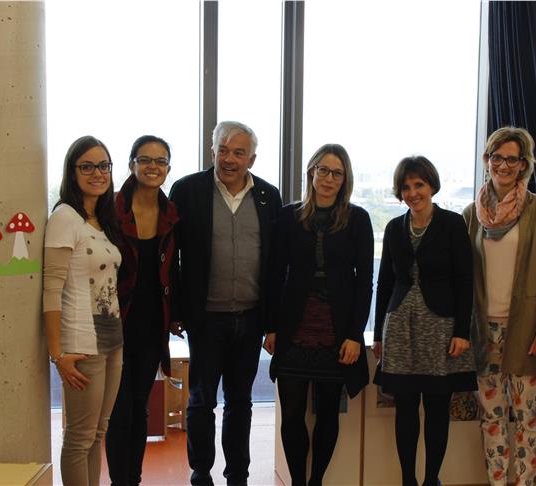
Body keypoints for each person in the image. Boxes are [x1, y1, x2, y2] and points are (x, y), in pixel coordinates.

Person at [169, 121, 282, 486]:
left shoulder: (268, 196)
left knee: (240, 402)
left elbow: (275, 263)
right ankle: (201, 473)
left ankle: (237, 476)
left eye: (238, 152)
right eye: (223, 150)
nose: (229, 159)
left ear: (252, 159)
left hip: (250, 318)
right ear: (212, 151)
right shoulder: (187, 191)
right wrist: (175, 311)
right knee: (202, 401)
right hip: (205, 319)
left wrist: (273, 323)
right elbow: (170, 256)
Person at [463, 127, 536, 486]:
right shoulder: (471, 214)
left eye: (512, 159)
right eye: (497, 157)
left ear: (524, 164)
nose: (503, 165)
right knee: (491, 418)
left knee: (528, 418)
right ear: (486, 160)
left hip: (528, 330)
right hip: (482, 332)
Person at [264, 144, 373, 486]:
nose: (328, 178)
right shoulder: (288, 216)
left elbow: (364, 282)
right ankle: (298, 482)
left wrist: (355, 334)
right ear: (311, 172)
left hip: (336, 332)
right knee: (292, 414)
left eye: (337, 173)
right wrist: (270, 327)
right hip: (293, 328)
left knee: (328, 414)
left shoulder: (358, 219)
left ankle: (316, 482)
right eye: (323, 170)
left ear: (345, 179)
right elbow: (274, 274)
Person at [373, 155, 476, 486]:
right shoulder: (394, 228)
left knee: (436, 407)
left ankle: (432, 479)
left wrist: (462, 332)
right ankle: (408, 480)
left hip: (440, 327)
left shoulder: (452, 224)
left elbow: (465, 280)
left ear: (431, 185)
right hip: (400, 325)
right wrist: (378, 335)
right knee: (405, 408)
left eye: (419, 184)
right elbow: (385, 283)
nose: (412, 193)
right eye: (406, 187)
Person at [43, 135, 122, 486]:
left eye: (103, 165)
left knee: (97, 434)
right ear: (72, 172)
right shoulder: (65, 217)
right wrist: (57, 353)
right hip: (81, 343)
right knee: (79, 438)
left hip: (112, 339)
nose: (97, 173)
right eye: (87, 166)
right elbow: (51, 290)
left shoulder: (101, 220)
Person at [106, 135, 179, 485]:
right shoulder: (110, 209)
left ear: (168, 167)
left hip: (152, 325)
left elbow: (174, 269)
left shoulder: (171, 213)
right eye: (145, 159)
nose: (153, 166)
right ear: (131, 164)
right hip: (114, 323)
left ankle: (131, 479)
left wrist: (176, 315)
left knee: (140, 407)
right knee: (119, 410)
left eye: (160, 161)